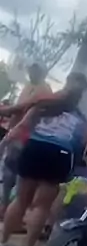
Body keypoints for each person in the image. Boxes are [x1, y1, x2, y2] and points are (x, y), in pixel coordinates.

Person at [0, 72, 87, 246]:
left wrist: (5, 143)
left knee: (20, 199)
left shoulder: (44, 104)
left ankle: (3, 240)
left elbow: (23, 126)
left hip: (34, 147)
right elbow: (83, 142)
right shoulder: (80, 117)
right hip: (59, 155)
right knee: (42, 205)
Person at [0, 63, 52, 216]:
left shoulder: (43, 90)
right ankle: (6, 206)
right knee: (9, 171)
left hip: (26, 136)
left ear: (42, 73)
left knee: (16, 174)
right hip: (16, 133)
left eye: (35, 71)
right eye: (30, 71)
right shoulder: (30, 85)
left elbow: (22, 107)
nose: (31, 74)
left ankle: (12, 209)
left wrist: (5, 110)